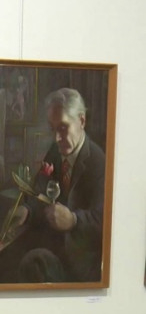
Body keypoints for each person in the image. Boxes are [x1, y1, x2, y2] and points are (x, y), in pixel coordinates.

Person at [13, 87, 105, 282]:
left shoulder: (99, 163)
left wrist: (73, 220)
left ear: (82, 121)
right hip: (51, 249)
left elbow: (104, 222)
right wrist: (28, 210)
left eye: (63, 128)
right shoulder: (55, 151)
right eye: (52, 129)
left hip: (81, 264)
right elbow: (40, 192)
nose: (56, 138)